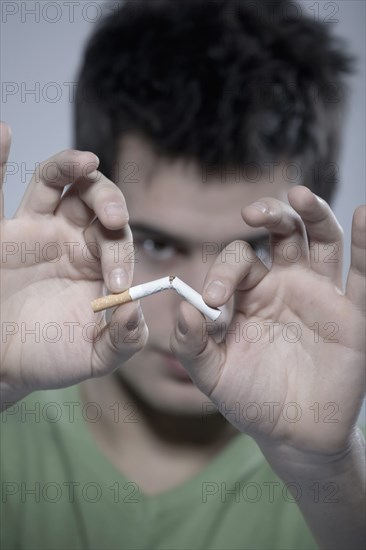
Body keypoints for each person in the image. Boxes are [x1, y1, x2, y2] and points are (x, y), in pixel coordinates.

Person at [1, 1, 365, 549]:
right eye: (155, 242)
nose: (202, 307)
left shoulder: (340, 476)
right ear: (90, 208)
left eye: (250, 249)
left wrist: (324, 472)